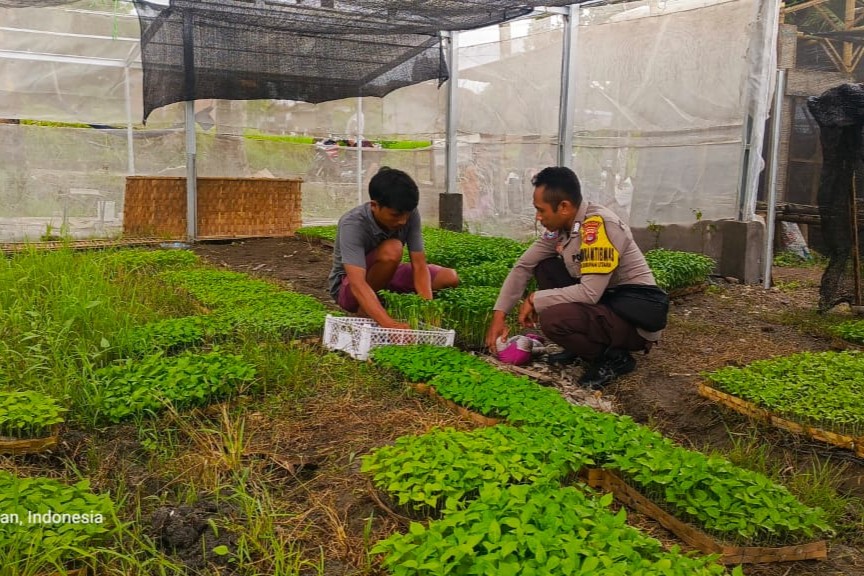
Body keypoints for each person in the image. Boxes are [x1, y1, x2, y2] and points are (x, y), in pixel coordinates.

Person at [485, 166, 668, 390]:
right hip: (606, 304)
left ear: (564, 206)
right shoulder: (564, 227)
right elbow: (524, 265)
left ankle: (613, 359)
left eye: (541, 210)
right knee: (545, 267)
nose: (538, 217)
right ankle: (579, 346)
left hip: (632, 318)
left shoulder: (598, 227)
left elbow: (589, 294)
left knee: (553, 319)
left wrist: (534, 298)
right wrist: (499, 316)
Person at [328, 167, 460, 329]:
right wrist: (390, 324)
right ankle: (366, 312)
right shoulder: (353, 223)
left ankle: (384, 304)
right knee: (393, 249)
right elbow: (357, 283)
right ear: (374, 205)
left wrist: (427, 309)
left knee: (449, 277)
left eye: (407, 214)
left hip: (388, 273)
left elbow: (419, 265)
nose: (403, 221)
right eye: (396, 215)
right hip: (348, 288)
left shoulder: (408, 213)